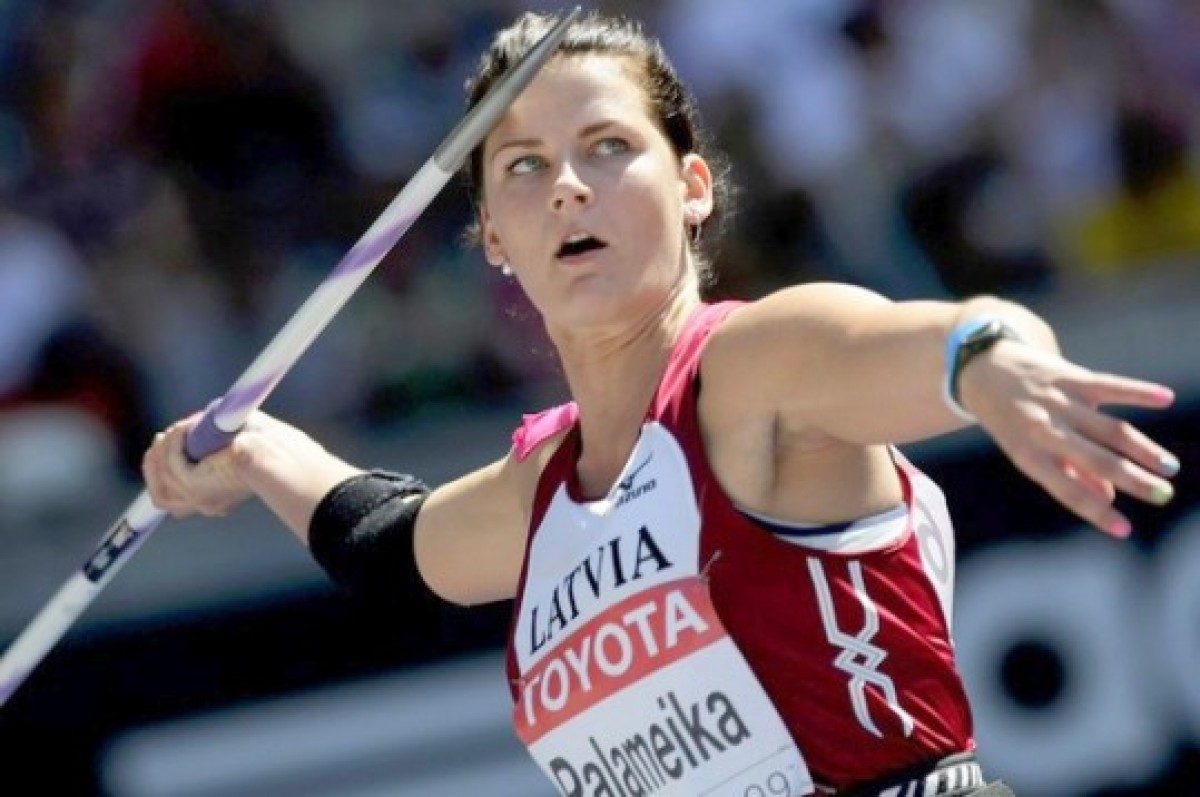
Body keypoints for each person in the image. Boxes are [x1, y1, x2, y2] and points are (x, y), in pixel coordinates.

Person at [141, 10, 1181, 797]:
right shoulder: (542, 492)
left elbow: (931, 337)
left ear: (692, 187)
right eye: (524, 165)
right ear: (493, 235)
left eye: (608, 146)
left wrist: (993, 360)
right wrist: (254, 449)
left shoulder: (755, 368)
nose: (567, 186)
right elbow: (389, 547)